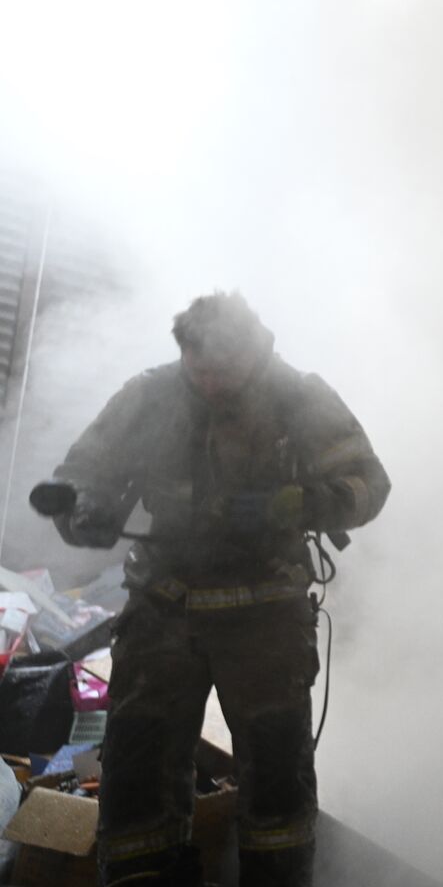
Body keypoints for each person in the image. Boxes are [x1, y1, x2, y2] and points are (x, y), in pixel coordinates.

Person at [48, 291, 390, 887]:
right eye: (197, 370)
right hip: (163, 611)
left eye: (222, 371)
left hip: (266, 621)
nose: (208, 384)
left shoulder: (298, 398)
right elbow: (81, 475)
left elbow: (368, 483)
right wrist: (86, 511)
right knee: (136, 770)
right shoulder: (149, 395)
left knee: (278, 779)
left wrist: (302, 504)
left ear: (253, 354)